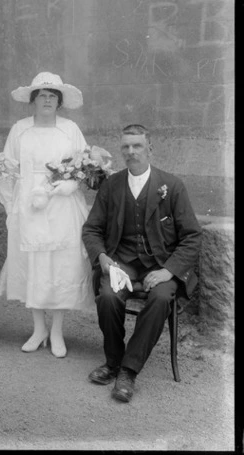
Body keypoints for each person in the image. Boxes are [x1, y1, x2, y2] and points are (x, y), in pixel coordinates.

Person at [82, 124, 201, 403]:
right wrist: (103, 259)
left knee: (160, 298)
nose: (131, 151)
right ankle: (112, 361)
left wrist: (168, 271)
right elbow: (91, 230)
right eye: (126, 146)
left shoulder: (171, 186)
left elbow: (192, 236)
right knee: (109, 296)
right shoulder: (111, 186)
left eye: (137, 145)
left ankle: (128, 370)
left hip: (161, 263)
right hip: (122, 260)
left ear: (150, 148)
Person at [0, 72, 93, 358]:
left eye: (53, 96)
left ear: (59, 102)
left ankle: (57, 331)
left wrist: (71, 183)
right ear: (33, 101)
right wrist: (11, 208)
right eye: (42, 95)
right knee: (34, 267)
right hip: (29, 205)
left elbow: (86, 166)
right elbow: (8, 171)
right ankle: (39, 329)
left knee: (60, 267)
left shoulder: (70, 129)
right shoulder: (20, 130)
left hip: (62, 204)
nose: (47, 100)